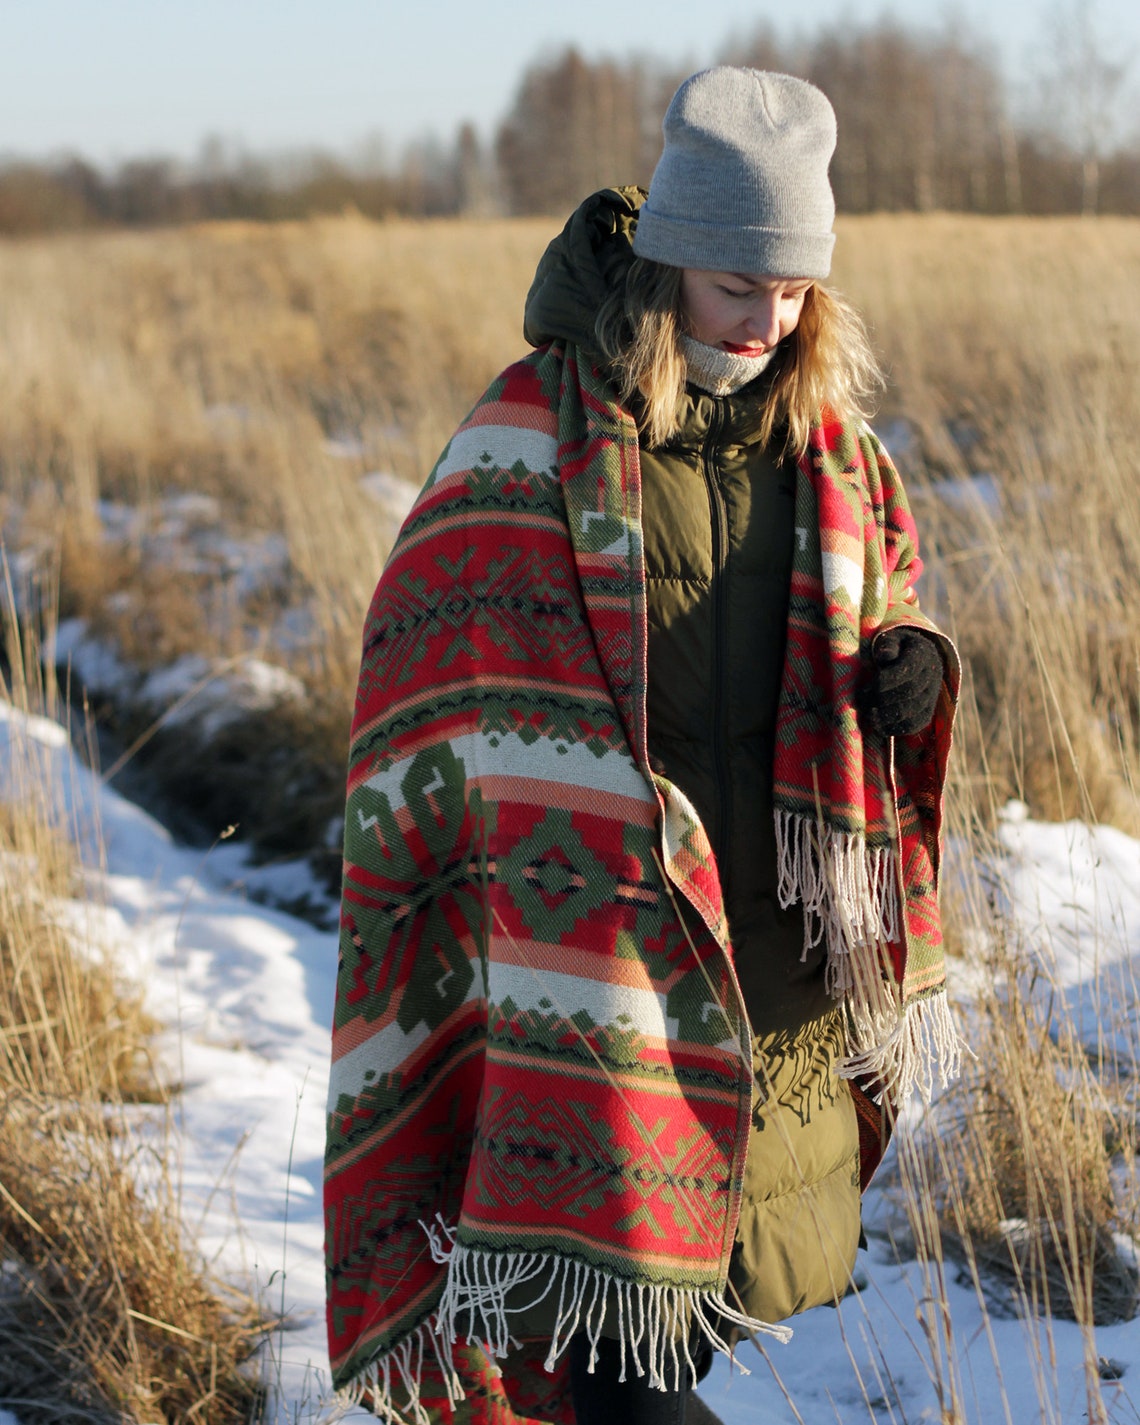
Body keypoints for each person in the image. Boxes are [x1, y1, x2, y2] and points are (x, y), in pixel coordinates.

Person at [324, 67, 961, 1425]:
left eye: (792, 293)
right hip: (593, 959)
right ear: (672, 259)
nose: (766, 321)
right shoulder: (534, 430)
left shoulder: (834, 449)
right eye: (739, 287)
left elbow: (887, 588)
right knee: (630, 1377)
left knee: (668, 1335)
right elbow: (429, 646)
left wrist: (907, 663)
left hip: (768, 962)